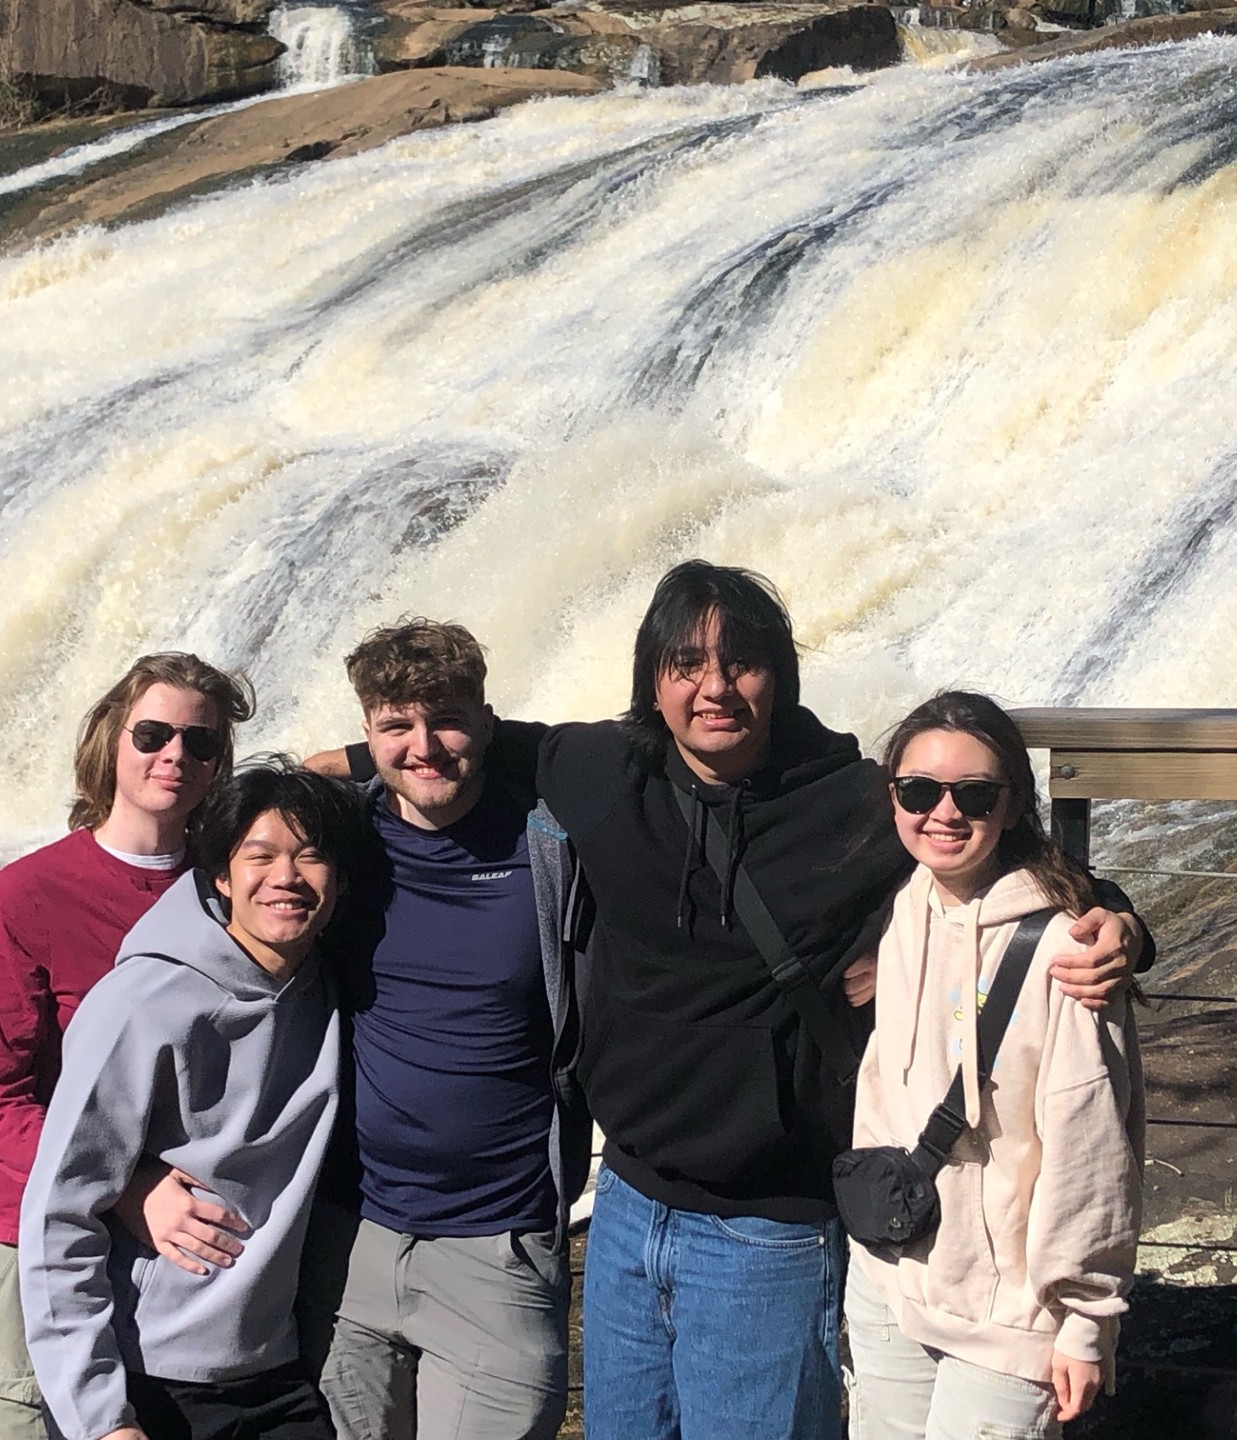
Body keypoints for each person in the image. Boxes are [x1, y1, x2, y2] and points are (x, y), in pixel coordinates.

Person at [320, 561, 1150, 1440]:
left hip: (771, 1231)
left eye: (740, 663)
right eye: (686, 664)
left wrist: (1122, 927)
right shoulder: (601, 769)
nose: (714, 688)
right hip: (626, 1209)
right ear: (653, 679)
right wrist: (322, 770)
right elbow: (468, 744)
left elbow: (1003, 855)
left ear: (779, 675)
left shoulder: (855, 803)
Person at [132, 621, 588, 1440]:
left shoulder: (552, 839)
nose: (425, 747)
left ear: (487, 721)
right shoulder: (339, 839)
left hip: (500, 1245)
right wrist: (141, 1177)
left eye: (447, 718)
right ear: (368, 731)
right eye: (395, 725)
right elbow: (219, 923)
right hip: (347, 1242)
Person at [18, 759, 366, 1440]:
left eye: (312, 857)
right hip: (150, 1381)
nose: (286, 878)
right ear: (220, 876)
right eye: (260, 856)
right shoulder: (140, 1005)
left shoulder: (328, 986)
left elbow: (420, 762)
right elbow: (58, 1216)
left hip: (281, 1372)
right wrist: (102, 1419)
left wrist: (329, 763)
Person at [0, 653, 253, 1440]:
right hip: (36, 1235)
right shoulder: (30, 893)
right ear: (110, 742)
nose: (175, 756)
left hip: (177, 1254)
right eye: (152, 733)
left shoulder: (234, 889)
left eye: (201, 743)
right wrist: (126, 1189)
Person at [846, 691, 1141, 1440]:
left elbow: (1093, 1147)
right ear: (893, 797)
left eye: (974, 795)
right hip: (891, 1277)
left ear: (1013, 806)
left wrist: (1083, 1317)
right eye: (918, 791)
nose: (943, 813)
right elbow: (884, 1083)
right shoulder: (909, 903)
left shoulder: (1069, 951)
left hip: (1012, 1314)